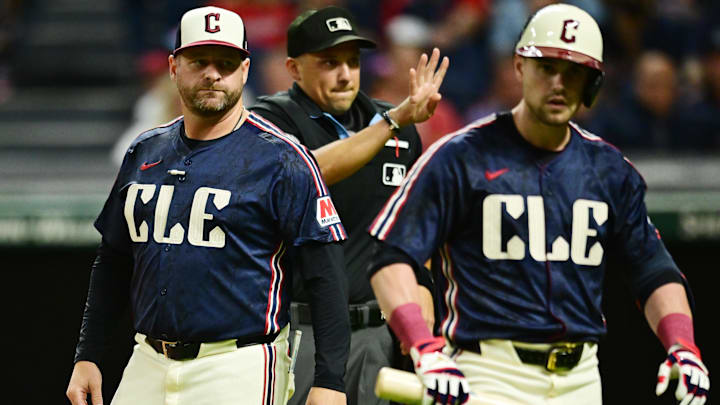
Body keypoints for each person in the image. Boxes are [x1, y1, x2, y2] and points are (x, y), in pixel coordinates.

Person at [367, 4, 710, 405]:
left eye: (575, 73)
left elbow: (653, 269)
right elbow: (391, 255)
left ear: (593, 84)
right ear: (518, 67)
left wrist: (683, 344)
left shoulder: (610, 170)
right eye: (547, 68)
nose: (560, 83)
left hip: (582, 379)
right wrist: (423, 345)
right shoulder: (460, 156)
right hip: (488, 373)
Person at [66, 6, 351, 405]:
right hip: (148, 357)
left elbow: (326, 277)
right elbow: (113, 260)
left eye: (226, 63)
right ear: (173, 66)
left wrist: (331, 381)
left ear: (246, 69)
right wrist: (89, 356)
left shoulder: (282, 158)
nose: (213, 74)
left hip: (238, 363)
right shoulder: (144, 150)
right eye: (199, 61)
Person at [249, 6, 448, 405]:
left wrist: (422, 289)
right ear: (293, 67)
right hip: (301, 332)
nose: (345, 74)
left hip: (378, 333)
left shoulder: (399, 133)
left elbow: (411, 228)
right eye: (328, 62)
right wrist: (391, 121)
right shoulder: (268, 123)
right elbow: (307, 173)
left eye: (352, 61)